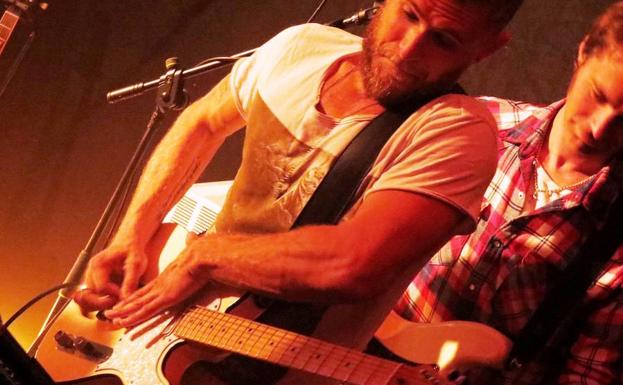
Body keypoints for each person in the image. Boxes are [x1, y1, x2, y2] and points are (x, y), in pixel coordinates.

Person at [74, 0, 521, 379]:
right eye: (409, 14)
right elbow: (204, 121)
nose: (407, 50)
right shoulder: (300, 49)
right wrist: (131, 236)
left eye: (445, 40)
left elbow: (351, 264)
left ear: (488, 48)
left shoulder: (456, 132)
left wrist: (204, 258)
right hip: (172, 327)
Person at [391, 2, 623, 384]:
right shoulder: (474, 124)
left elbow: (587, 374)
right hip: (362, 352)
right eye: (598, 95)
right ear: (582, 54)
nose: (599, 128)